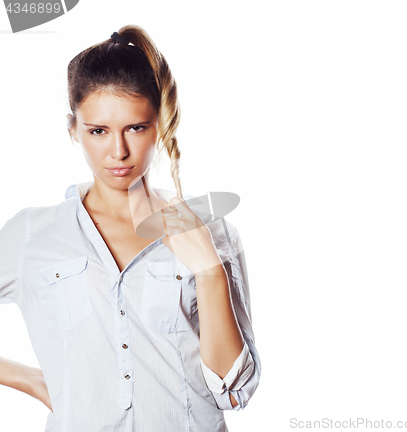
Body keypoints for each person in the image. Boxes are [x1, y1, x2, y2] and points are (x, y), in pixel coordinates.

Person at [0, 25, 260, 431]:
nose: (118, 151)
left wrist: (209, 272)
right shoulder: (33, 234)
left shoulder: (213, 232)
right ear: (74, 130)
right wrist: (29, 379)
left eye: (135, 128)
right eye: (98, 131)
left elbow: (234, 391)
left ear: (159, 124)